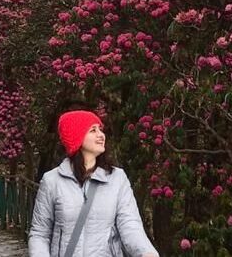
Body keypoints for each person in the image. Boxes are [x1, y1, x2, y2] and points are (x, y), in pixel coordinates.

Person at [29, 110, 158, 257]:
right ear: (76, 137)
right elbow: (40, 233)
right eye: (92, 130)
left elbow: (129, 224)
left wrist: (145, 251)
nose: (101, 135)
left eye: (100, 130)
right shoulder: (52, 181)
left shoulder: (117, 178)